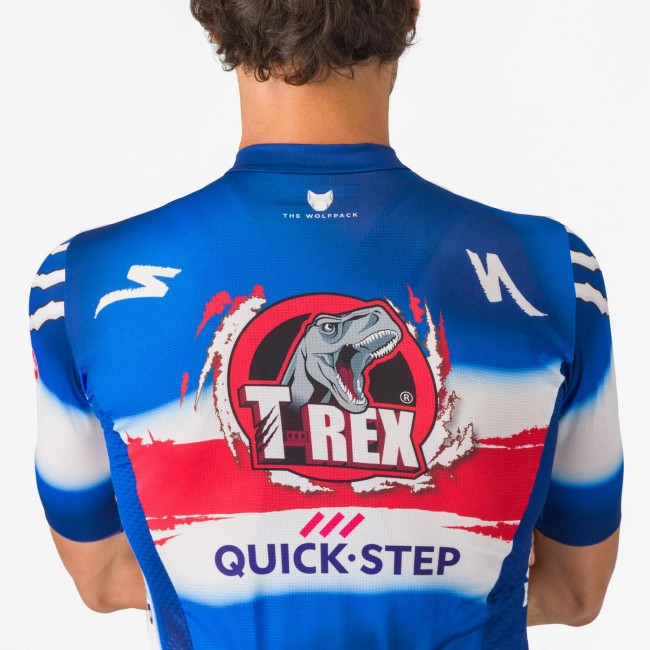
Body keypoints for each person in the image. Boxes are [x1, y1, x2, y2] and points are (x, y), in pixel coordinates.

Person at [27, 1, 623, 648]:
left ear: (212, 17)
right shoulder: (551, 273)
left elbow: (106, 575)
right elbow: (575, 588)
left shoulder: (81, 285)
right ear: (409, 11)